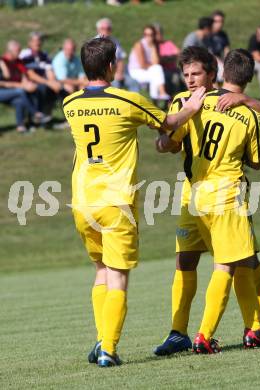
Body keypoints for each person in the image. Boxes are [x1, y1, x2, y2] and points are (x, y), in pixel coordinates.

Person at [62, 37, 205, 367]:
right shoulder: (127, 100)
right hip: (117, 202)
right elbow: (168, 124)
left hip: (83, 201)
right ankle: (109, 348)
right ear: (112, 65)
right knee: (118, 277)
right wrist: (190, 108)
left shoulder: (70, 104)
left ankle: (102, 339)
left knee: (100, 271)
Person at [154, 46, 260, 356]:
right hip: (212, 194)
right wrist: (170, 138)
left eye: (195, 73)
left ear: (214, 74)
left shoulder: (221, 104)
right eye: (185, 74)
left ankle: (257, 327)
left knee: (242, 260)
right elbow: (167, 142)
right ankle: (184, 333)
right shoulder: (186, 103)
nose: (189, 79)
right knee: (209, 261)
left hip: (200, 195)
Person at [0, 40, 49, 132]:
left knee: (20, 100)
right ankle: (35, 113)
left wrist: (28, 84)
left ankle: (21, 126)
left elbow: (24, 76)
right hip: (3, 91)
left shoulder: (18, 61)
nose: (19, 53)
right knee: (21, 91)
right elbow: (5, 82)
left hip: (12, 91)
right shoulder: (2, 62)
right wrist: (21, 86)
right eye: (17, 51)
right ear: (9, 51)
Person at [20, 32, 61, 115]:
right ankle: (39, 115)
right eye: (35, 41)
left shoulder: (44, 55)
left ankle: (51, 115)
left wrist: (53, 82)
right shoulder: (25, 55)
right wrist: (49, 83)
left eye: (39, 40)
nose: (37, 43)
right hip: (29, 82)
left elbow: (49, 70)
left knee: (59, 88)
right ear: (29, 43)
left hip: (43, 82)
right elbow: (30, 75)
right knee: (43, 88)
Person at [95, 18, 138, 91]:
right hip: (102, 75)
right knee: (115, 83)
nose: (106, 31)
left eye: (108, 29)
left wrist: (120, 73)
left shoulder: (115, 41)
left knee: (133, 82)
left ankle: (134, 102)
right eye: (103, 28)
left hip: (116, 73)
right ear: (98, 30)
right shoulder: (94, 43)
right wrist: (111, 75)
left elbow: (120, 59)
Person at [128, 25, 169, 101]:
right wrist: (154, 65)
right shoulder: (139, 45)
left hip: (147, 69)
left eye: (151, 35)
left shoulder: (155, 45)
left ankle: (155, 97)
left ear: (154, 35)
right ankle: (161, 94)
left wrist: (153, 46)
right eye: (146, 34)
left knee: (156, 70)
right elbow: (142, 65)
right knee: (156, 70)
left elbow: (156, 61)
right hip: (136, 70)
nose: (148, 37)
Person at [153, 23, 182, 95]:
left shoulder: (168, 43)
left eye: (159, 33)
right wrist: (170, 58)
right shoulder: (153, 46)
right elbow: (156, 61)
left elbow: (178, 54)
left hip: (173, 70)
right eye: (155, 34)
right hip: (161, 72)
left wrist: (165, 59)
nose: (158, 36)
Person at [204, 10, 230, 83]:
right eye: (217, 21)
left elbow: (226, 49)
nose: (220, 24)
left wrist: (227, 62)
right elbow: (208, 52)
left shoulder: (223, 34)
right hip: (209, 60)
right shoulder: (207, 34)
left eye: (221, 21)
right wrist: (220, 63)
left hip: (220, 60)